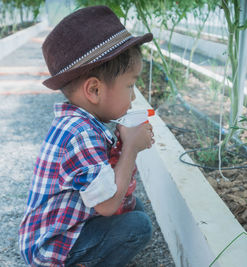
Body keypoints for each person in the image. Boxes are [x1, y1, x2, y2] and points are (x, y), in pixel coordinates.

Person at [18, 5, 155, 266]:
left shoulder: (82, 122)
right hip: (49, 247)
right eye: (130, 85)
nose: (134, 96)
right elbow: (106, 205)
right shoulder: (79, 134)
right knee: (137, 226)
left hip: (63, 228)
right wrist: (131, 148)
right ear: (94, 89)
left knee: (133, 207)